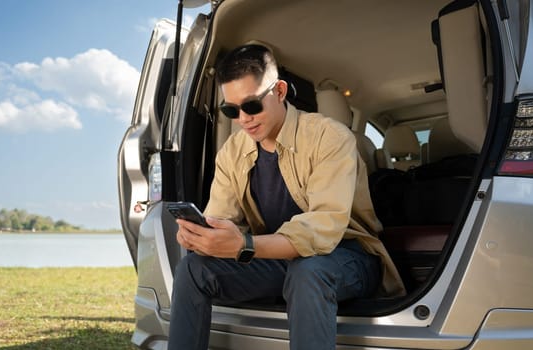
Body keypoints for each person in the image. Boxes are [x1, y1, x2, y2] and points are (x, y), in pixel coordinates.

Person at [167, 44, 405, 350]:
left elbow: (323, 229)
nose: (243, 119)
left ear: (279, 91)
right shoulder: (232, 151)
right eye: (231, 110)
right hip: (275, 258)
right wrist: (202, 236)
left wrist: (245, 245)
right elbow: (221, 218)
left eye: (252, 106)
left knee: (308, 270)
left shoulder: (329, 137)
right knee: (192, 268)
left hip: (348, 255)